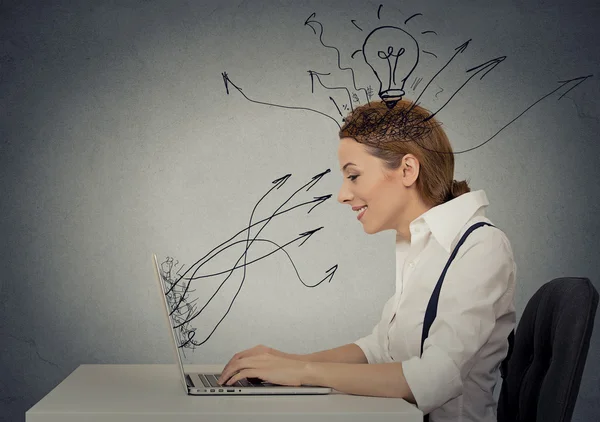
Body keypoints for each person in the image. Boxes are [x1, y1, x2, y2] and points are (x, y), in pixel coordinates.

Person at [217, 99, 516, 422]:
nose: (342, 194)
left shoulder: (481, 246)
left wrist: (302, 371)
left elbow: (434, 377)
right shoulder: (416, 244)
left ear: (407, 170)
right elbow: (379, 350)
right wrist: (286, 362)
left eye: (354, 176)